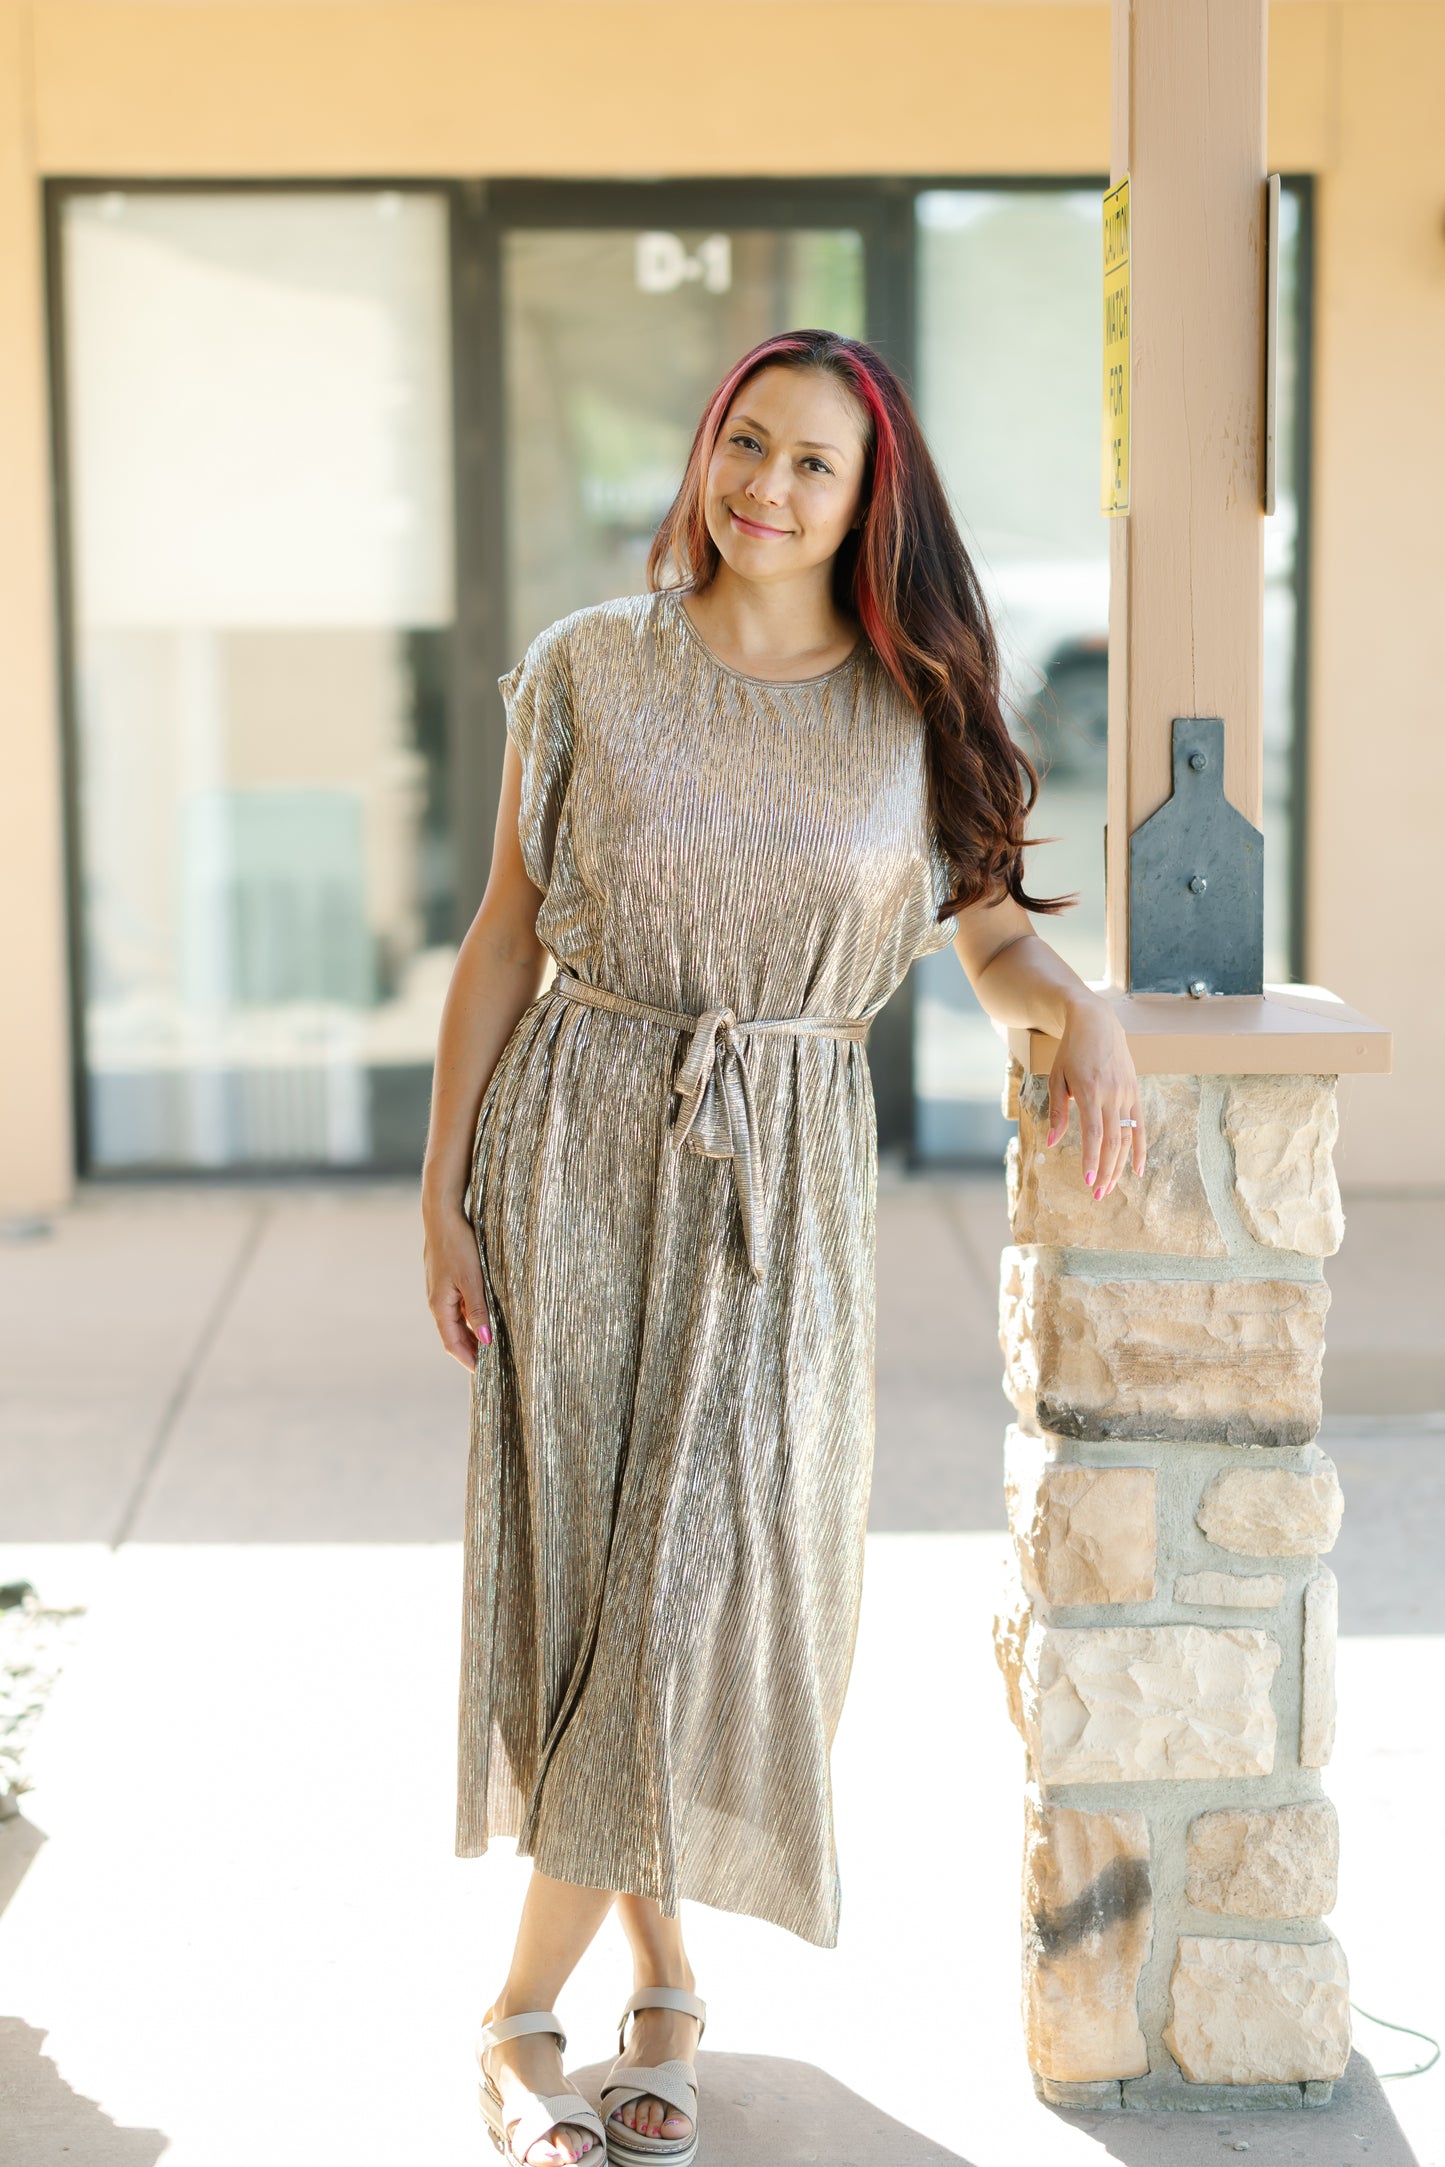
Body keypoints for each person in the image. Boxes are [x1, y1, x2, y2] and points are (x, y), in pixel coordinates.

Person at [421, 328, 1146, 2167]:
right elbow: (505, 932)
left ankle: (517, 2012)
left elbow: (988, 942)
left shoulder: (915, 710)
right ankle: (649, 1988)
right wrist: (442, 1192)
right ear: (706, 448)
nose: (766, 484)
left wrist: (1080, 1008)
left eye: (814, 462)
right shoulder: (588, 666)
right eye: (746, 442)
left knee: (701, 1592)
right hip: (573, 1148)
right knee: (598, 1589)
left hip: (782, 1187)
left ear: (865, 500)